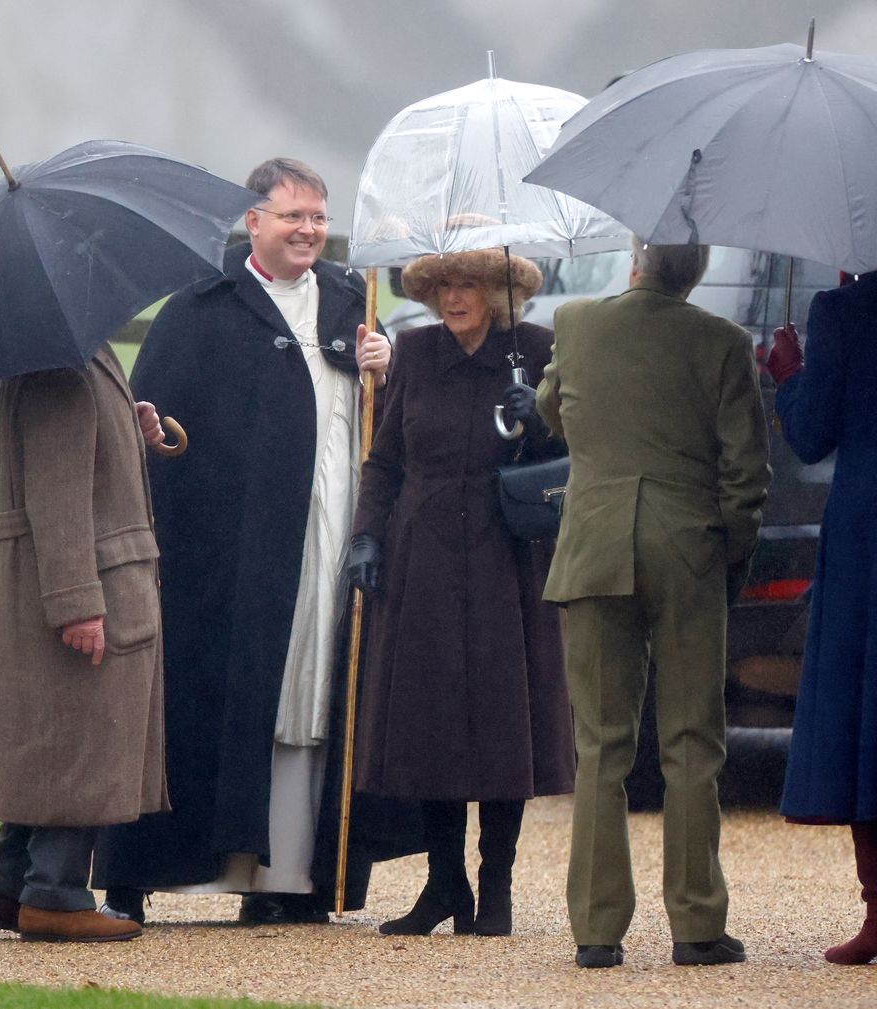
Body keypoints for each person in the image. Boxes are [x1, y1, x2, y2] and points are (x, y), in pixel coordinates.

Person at [93, 158, 399, 926]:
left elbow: (383, 428)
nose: (307, 230)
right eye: (292, 215)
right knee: (217, 695)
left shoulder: (349, 301)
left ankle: (291, 878)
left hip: (328, 537)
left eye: (318, 218)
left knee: (314, 692)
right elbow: (153, 428)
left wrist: (384, 367)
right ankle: (164, 870)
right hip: (228, 553)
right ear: (252, 221)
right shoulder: (205, 307)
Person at [536, 238, 770, 968]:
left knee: (601, 743)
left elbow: (552, 408)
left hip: (596, 540)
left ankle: (597, 930)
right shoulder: (725, 342)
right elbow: (746, 469)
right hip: (687, 547)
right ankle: (697, 921)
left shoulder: (575, 322)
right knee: (693, 740)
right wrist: (730, 544)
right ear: (697, 271)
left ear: (636, 258)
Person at [347, 247, 576, 937]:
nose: (453, 297)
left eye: (468, 283)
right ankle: (443, 883)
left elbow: (579, 450)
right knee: (431, 721)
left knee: (503, 720)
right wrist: (367, 535)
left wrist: (539, 418)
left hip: (510, 554)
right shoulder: (414, 352)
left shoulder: (536, 350)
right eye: (442, 284)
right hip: (425, 554)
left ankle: (495, 886)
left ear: (499, 291)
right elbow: (385, 459)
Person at [0, 346, 170, 943]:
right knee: (80, 735)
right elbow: (57, 491)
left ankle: (9, 884)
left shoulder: (68, 352)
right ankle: (53, 892)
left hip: (75, 574)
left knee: (50, 733)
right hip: (86, 580)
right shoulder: (59, 363)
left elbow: (82, 458)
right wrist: (77, 601)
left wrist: (129, 426)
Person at [767, 271, 877, 965]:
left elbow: (811, 433)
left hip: (867, 531)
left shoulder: (843, 308)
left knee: (864, 708)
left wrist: (788, 372)